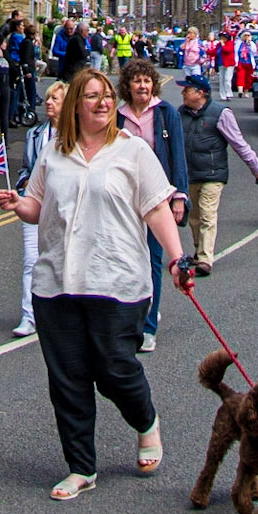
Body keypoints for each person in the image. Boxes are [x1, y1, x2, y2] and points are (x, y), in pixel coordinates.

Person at [0, 68, 186, 499]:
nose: (102, 103)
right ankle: (81, 467)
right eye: (92, 96)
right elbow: (38, 206)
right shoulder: (54, 153)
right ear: (76, 106)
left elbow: (156, 208)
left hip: (117, 281)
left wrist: (177, 259)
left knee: (114, 368)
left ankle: (146, 421)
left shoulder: (133, 150)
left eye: (107, 96)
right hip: (56, 283)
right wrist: (18, 204)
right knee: (68, 379)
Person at [117, 57, 190, 349]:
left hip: (158, 200)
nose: (143, 86)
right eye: (137, 81)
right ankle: (132, 317)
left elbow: (177, 155)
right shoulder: (118, 115)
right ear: (128, 86)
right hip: (125, 201)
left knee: (153, 261)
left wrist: (179, 196)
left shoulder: (165, 113)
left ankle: (148, 327)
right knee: (125, 261)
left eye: (147, 81)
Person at [176, 74, 258, 273]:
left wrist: (256, 168)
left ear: (200, 93)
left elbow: (239, 143)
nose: (183, 93)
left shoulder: (220, 113)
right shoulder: (180, 113)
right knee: (194, 218)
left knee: (207, 214)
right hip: (189, 174)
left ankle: (205, 259)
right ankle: (199, 250)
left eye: (187, 89)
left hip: (213, 174)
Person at [13, 79, 65, 336]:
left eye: (55, 99)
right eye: (48, 99)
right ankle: (29, 315)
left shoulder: (76, 136)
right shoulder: (34, 134)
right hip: (34, 202)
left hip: (62, 206)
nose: (49, 103)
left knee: (61, 260)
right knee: (31, 261)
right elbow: (25, 167)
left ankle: (59, 312)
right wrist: (24, 183)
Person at [234, 30, 257, 98]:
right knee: (240, 77)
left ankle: (246, 91)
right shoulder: (238, 43)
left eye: (248, 36)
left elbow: (254, 51)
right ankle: (240, 91)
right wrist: (235, 63)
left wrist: (249, 43)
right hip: (241, 63)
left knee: (248, 78)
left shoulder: (252, 44)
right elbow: (236, 52)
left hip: (249, 63)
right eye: (245, 36)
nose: (246, 37)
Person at [217, 28, 237, 100]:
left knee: (227, 79)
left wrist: (223, 45)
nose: (222, 39)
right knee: (221, 80)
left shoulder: (230, 43)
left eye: (223, 37)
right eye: (221, 37)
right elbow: (215, 52)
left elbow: (227, 50)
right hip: (221, 63)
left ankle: (228, 93)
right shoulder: (219, 45)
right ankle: (223, 95)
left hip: (229, 64)